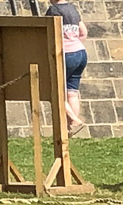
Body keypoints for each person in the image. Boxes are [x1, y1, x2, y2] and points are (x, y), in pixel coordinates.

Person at [47, 1, 89, 131]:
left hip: (66, 54)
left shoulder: (53, 11)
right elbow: (83, 33)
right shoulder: (73, 10)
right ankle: (71, 127)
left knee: (56, 90)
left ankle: (74, 119)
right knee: (72, 92)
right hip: (81, 53)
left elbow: (48, 32)